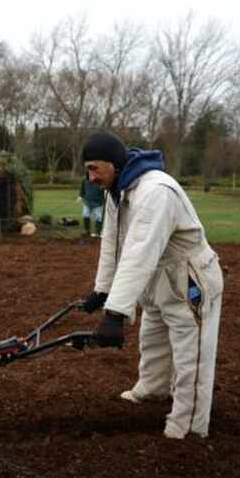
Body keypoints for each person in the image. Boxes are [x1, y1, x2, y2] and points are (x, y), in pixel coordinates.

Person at [80, 130, 224, 440]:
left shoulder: (155, 190)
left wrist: (115, 313)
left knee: (191, 352)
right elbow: (112, 242)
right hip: (158, 278)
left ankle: (187, 425)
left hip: (188, 277)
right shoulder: (117, 190)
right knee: (154, 335)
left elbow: (139, 251)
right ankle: (153, 388)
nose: (90, 177)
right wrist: (101, 290)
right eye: (86, 169)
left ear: (114, 163)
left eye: (94, 168)